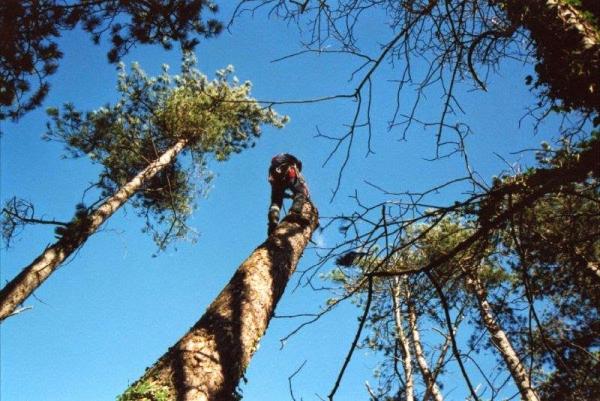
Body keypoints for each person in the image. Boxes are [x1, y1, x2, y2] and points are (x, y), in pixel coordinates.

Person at [267, 153, 310, 235]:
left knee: (275, 202)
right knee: (301, 193)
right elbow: (303, 190)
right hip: (290, 174)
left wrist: (290, 196)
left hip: (276, 180)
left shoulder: (274, 168)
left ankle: (273, 220)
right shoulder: (294, 165)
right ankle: (295, 213)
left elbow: (279, 192)